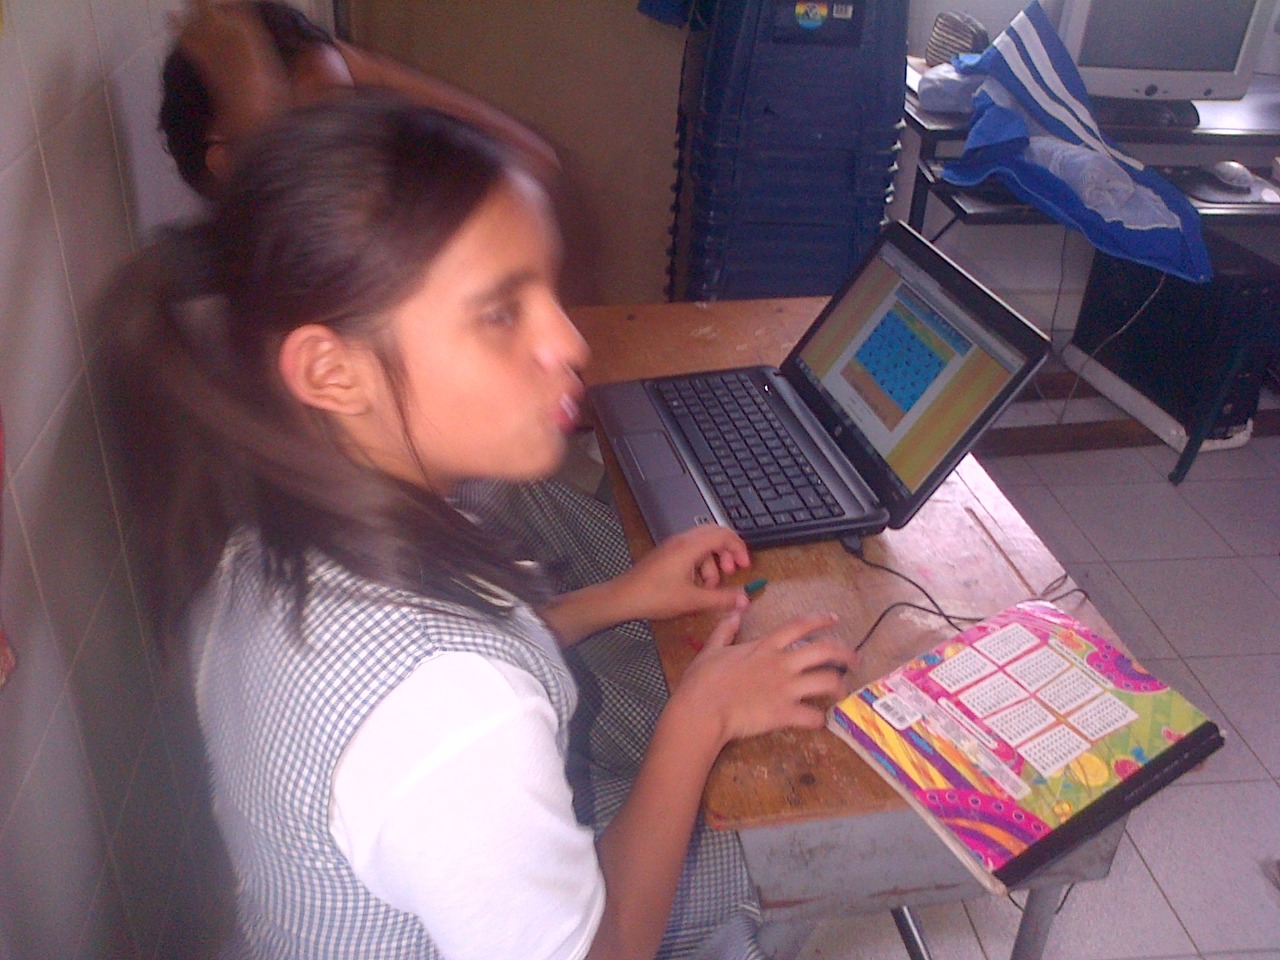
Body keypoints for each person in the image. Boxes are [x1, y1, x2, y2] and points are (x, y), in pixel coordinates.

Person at [102, 93, 856, 960]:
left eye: (549, 293)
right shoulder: (454, 715)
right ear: (333, 373)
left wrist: (623, 596)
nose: (569, 342)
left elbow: (453, 665)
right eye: (501, 313)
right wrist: (701, 717)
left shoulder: (266, 537)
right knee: (777, 848)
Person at [160, 0, 558, 199]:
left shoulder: (375, 194)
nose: (347, 134)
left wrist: (360, 66)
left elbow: (533, 166)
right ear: (227, 163)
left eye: (348, 102)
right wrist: (255, 119)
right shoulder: (204, 293)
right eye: (315, 122)